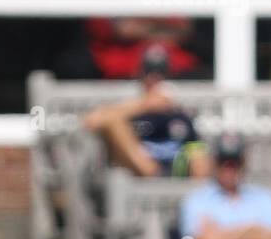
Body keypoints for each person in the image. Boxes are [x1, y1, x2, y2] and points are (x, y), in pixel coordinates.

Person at [82, 45, 209, 178]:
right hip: (137, 173)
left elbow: (195, 149)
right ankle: (153, 173)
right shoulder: (132, 107)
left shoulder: (178, 114)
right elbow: (91, 122)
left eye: (161, 71)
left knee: (198, 152)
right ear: (140, 73)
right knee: (114, 123)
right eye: (149, 71)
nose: (154, 77)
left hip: (173, 170)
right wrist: (144, 105)